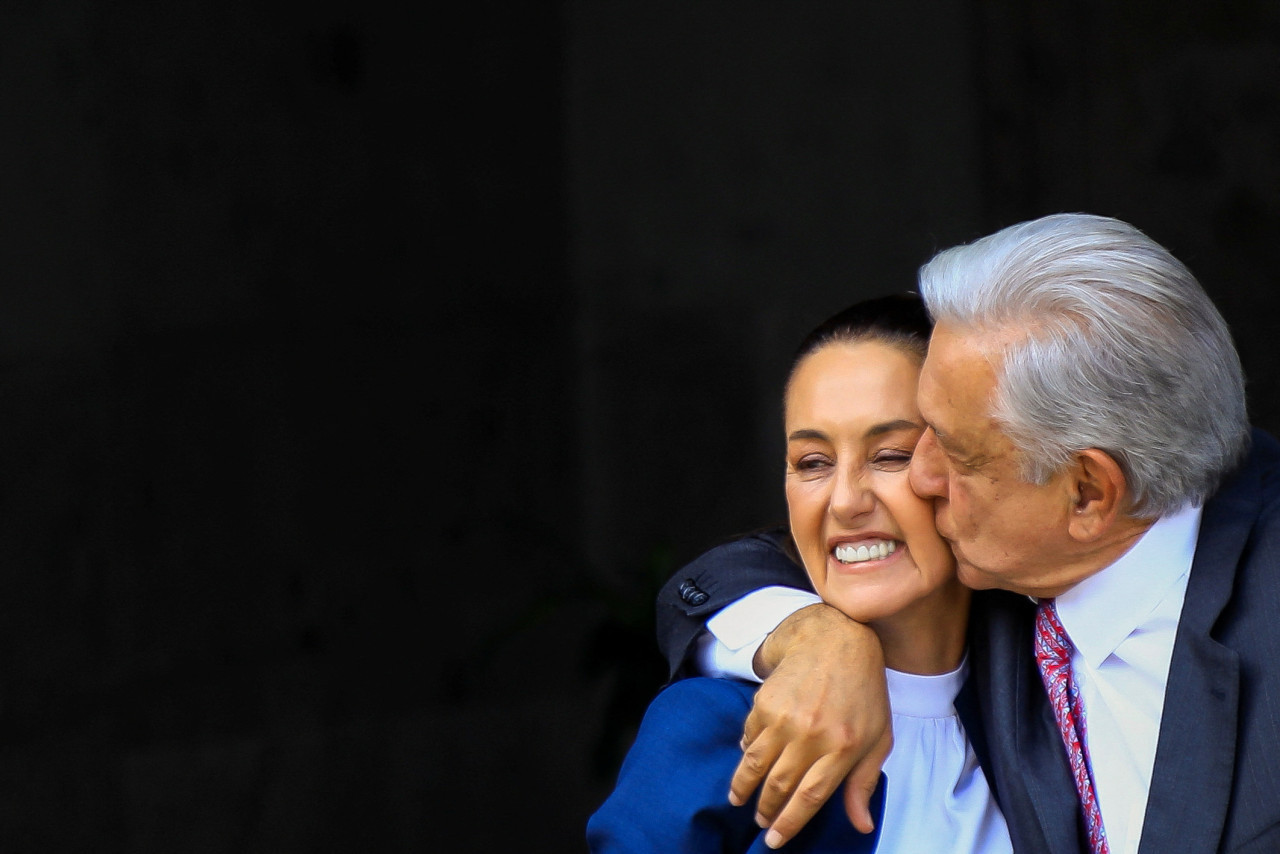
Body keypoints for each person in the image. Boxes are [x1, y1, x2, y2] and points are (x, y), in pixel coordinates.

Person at [656, 213, 1280, 854]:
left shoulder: (1005, 610)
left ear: (1089, 493)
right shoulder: (995, 582)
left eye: (946, 448)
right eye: (813, 461)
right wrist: (818, 639)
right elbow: (723, 576)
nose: (922, 477)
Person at [588, 294, 1013, 853]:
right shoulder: (717, 729)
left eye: (890, 454)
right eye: (813, 463)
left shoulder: (1055, 695)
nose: (845, 502)